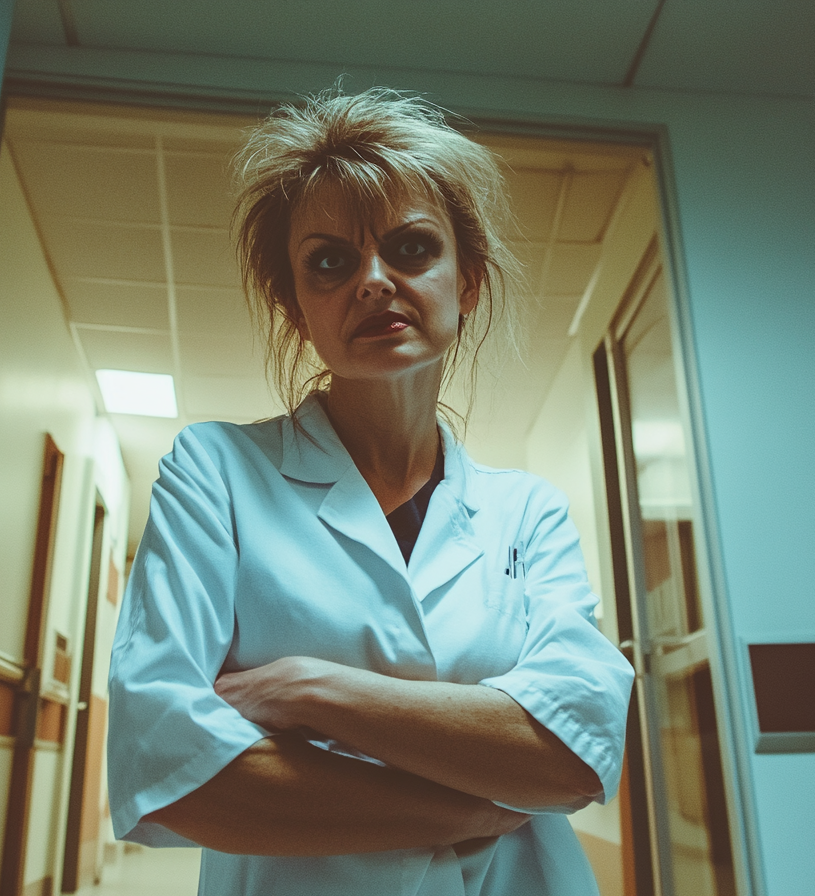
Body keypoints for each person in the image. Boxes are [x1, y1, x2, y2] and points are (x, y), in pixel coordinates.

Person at [106, 88, 635, 896]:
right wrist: (473, 803)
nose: (374, 281)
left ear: (468, 283)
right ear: (296, 305)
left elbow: (575, 755)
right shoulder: (214, 470)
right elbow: (173, 767)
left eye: (413, 248)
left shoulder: (527, 511)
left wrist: (309, 690)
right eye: (330, 261)